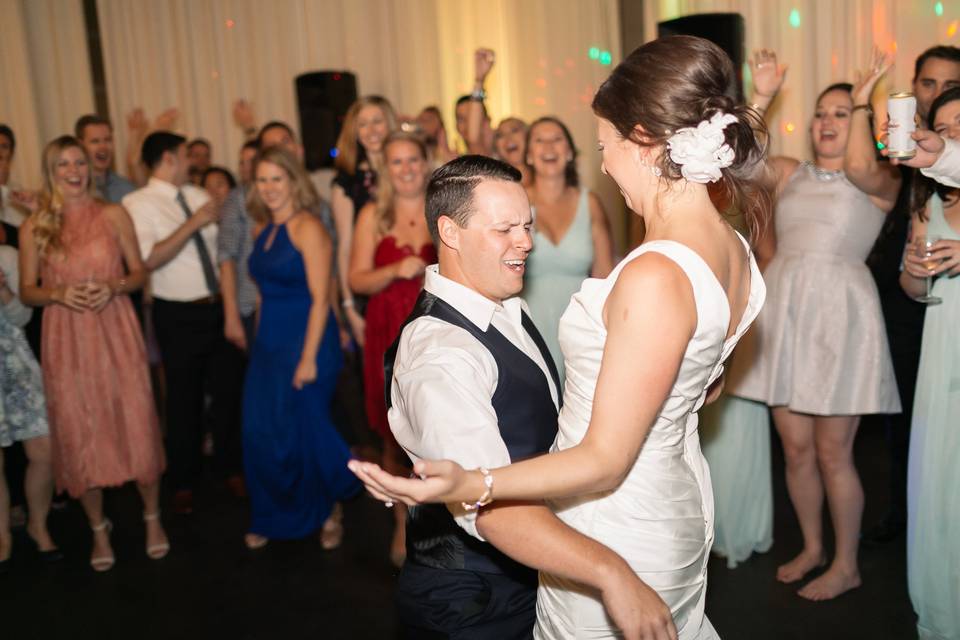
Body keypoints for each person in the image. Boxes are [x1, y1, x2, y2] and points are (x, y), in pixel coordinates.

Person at [352, 35, 769, 639]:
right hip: (672, 499)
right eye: (505, 228)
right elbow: (699, 371)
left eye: (605, 146)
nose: (603, 164)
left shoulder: (655, 273)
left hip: (616, 517)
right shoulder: (731, 248)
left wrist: (475, 483)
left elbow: (604, 460)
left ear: (645, 142)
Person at [355, 154, 671, 639]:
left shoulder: (499, 304)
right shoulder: (442, 354)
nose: (526, 242)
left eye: (527, 226)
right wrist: (612, 573)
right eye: (505, 229)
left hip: (528, 574)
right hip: (474, 601)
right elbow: (490, 510)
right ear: (451, 232)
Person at [734, 50, 902, 600]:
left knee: (834, 452)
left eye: (841, 114)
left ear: (859, 124)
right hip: (786, 311)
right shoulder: (787, 172)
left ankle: (847, 563)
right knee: (797, 448)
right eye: (822, 113)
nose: (829, 122)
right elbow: (735, 166)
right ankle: (811, 546)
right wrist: (760, 97)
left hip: (841, 318)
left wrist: (862, 98)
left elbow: (857, 164)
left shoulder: (879, 179)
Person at [19, 136, 166, 571]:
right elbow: (28, 292)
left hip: (116, 328)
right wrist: (60, 293)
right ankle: (99, 531)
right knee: (79, 428)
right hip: (66, 337)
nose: (73, 169)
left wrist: (113, 286)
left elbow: (138, 274)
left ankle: (153, 519)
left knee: (135, 419)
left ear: (89, 167)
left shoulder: (113, 214)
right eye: (63, 163)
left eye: (79, 161)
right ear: (51, 170)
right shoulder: (35, 225)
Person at [863, 44, 960, 545]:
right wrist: (915, 269)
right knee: (922, 438)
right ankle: (912, 522)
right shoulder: (916, 171)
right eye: (930, 84)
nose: (940, 95)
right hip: (923, 318)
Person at [241, 146, 359, 550]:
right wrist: (259, 347)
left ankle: (330, 511)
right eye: (263, 180)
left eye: (278, 178)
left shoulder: (308, 227)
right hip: (270, 343)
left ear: (293, 181)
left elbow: (319, 298)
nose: (270, 188)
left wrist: (308, 358)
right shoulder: (261, 229)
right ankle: (273, 515)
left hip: (307, 339)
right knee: (263, 432)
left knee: (308, 430)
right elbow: (261, 296)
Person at [124, 131, 242, 516]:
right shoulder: (136, 203)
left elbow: (222, 247)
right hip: (176, 313)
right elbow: (148, 259)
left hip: (216, 306)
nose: (189, 161)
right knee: (183, 399)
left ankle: (231, 467)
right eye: (182, 154)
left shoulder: (196, 195)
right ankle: (184, 480)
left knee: (227, 393)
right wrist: (192, 224)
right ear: (169, 157)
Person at [348, 132, 436, 567]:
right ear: (387, 169)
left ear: (425, 162)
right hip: (388, 330)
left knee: (438, 427)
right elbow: (356, 279)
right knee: (394, 434)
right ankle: (402, 525)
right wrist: (394, 270)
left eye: (412, 160)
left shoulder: (441, 207)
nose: (405, 169)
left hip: (435, 328)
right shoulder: (373, 215)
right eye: (396, 162)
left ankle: (445, 524)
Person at [897, 87, 960, 640]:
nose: (951, 132)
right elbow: (911, 288)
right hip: (943, 344)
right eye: (942, 125)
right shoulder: (928, 203)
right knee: (940, 475)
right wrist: (917, 271)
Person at [522, 116, 614, 383]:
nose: (549, 146)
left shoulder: (591, 203)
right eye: (540, 140)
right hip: (529, 329)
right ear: (529, 155)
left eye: (557, 139)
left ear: (570, 153)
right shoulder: (516, 201)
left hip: (580, 330)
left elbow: (605, 278)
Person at [0, 244, 58, 572]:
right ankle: (2, 535)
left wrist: (4, 290)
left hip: (14, 363)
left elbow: (23, 316)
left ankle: (38, 523)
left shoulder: (7, 256)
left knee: (44, 449)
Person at [331, 96, 397, 345]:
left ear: (389, 123)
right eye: (362, 124)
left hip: (413, 282)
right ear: (354, 132)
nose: (371, 130)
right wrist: (348, 306)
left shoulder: (409, 171)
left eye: (377, 121)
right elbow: (345, 247)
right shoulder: (346, 183)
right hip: (368, 289)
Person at [74, 114, 136, 204]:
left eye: (107, 140)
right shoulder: (74, 190)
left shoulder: (126, 188)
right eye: (95, 141)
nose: (103, 147)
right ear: (80, 145)